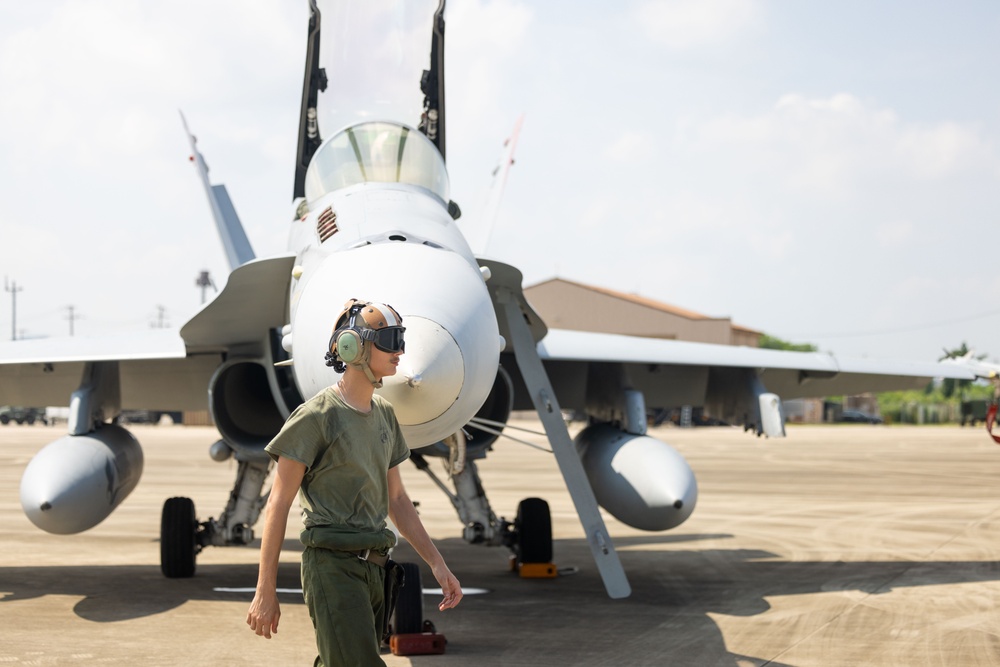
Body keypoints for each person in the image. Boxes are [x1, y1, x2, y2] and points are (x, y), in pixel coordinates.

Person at [246, 299, 462, 666]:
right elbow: (278, 504)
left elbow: (397, 500)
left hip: (376, 570)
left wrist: (438, 564)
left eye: (401, 339)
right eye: (390, 340)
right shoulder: (315, 417)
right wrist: (265, 587)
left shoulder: (385, 415)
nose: (400, 351)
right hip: (333, 568)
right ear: (353, 346)